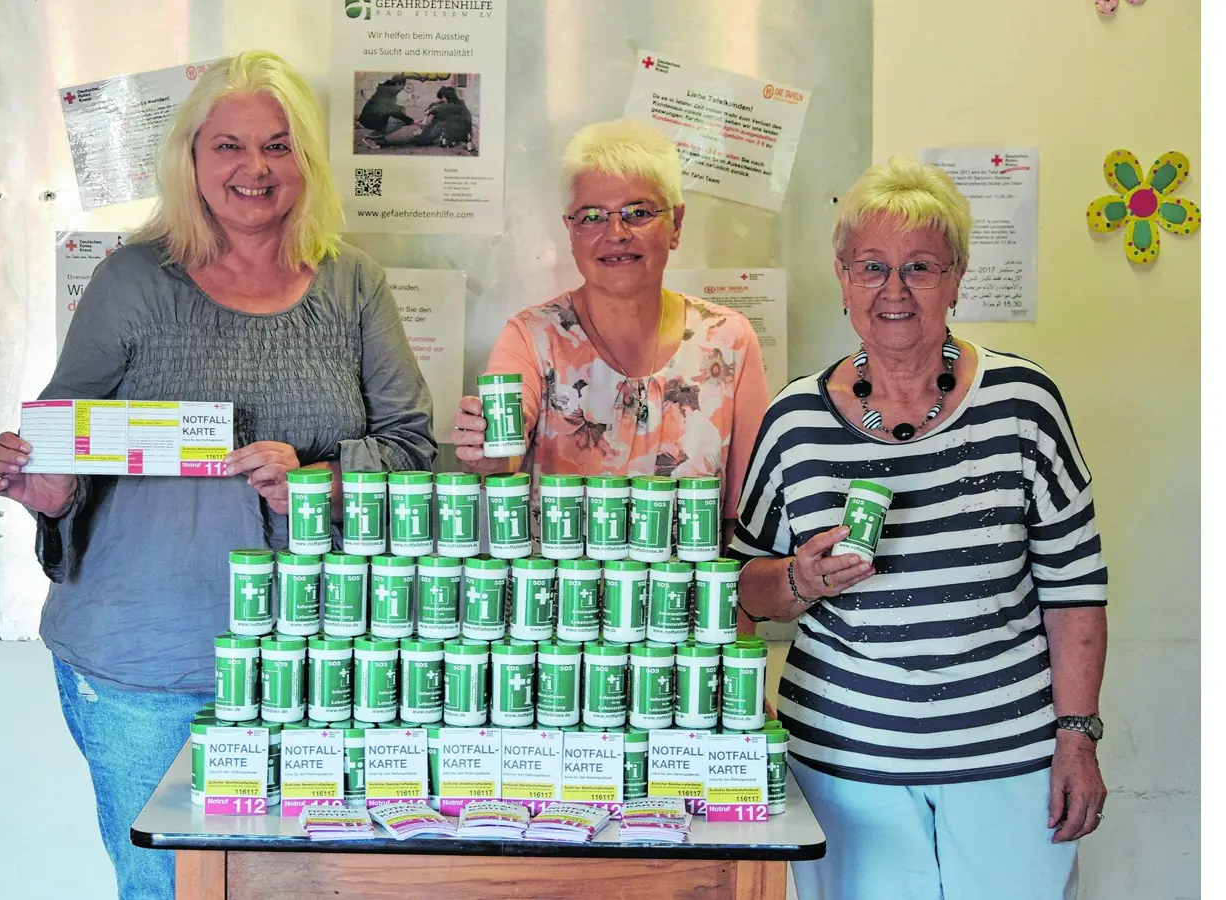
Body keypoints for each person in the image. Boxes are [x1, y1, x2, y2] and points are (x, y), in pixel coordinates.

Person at [0, 51, 435, 900]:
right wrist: (49, 487)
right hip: (144, 661)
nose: (254, 168)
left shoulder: (354, 283)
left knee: (309, 884)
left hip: (318, 659)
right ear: (190, 159)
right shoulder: (130, 279)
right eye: (227, 146)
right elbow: (65, 444)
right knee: (163, 889)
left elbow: (413, 446)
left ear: (307, 161)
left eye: (277, 145)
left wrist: (321, 475)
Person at [729, 157, 1108, 900]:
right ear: (842, 278)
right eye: (871, 266)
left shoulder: (1024, 404)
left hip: (1008, 759)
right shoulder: (795, 422)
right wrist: (800, 579)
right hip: (844, 763)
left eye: (920, 267)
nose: (893, 289)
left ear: (957, 277)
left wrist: (1078, 735)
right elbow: (743, 589)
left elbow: (1075, 588)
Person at [449, 118, 770, 546]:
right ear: (571, 230)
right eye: (592, 216)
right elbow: (505, 452)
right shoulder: (532, 337)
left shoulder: (728, 341)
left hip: (686, 606)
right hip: (559, 605)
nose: (615, 233)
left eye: (638, 212)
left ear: (675, 224)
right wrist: (485, 445)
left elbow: (746, 518)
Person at [363, 85, 474, 151]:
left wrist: (430, 112)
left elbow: (444, 107)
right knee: (436, 122)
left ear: (447, 97)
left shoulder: (458, 105)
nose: (440, 100)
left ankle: (422, 139)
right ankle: (423, 136)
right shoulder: (447, 103)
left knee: (438, 125)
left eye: (442, 98)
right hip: (450, 126)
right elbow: (437, 106)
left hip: (459, 130)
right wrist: (428, 111)